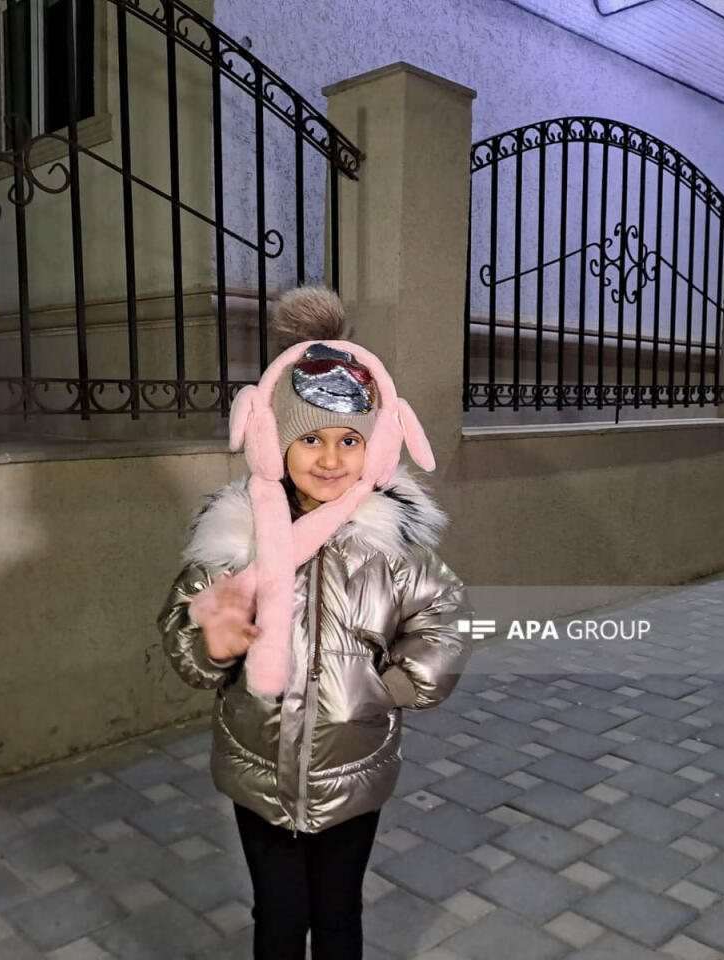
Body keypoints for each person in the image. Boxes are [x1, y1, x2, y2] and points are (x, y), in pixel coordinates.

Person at [157, 285, 471, 960]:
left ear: (376, 445)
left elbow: (442, 618)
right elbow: (183, 627)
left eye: (349, 440)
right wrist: (211, 643)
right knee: (277, 917)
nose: (330, 459)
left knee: (336, 915)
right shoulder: (235, 537)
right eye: (310, 440)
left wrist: (391, 687)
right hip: (257, 772)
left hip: (352, 769)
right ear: (273, 442)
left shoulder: (393, 546)